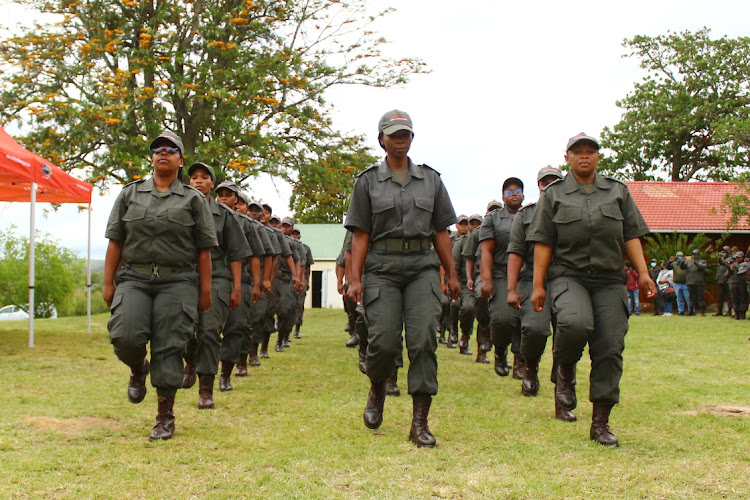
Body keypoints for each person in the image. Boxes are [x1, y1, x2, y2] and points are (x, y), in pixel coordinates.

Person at [528, 132, 656, 446]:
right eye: (578, 152)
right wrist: (537, 286)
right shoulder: (554, 195)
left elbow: (631, 236)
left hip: (610, 278)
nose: (584, 156)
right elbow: (543, 242)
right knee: (574, 323)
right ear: (567, 157)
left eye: (590, 152)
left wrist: (643, 273)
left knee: (610, 345)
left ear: (598, 157)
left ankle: (601, 422)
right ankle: (566, 371)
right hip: (568, 275)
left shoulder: (617, 192)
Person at [345, 109, 460, 448]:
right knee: (383, 342)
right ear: (381, 139)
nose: (400, 140)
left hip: (421, 266)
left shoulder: (431, 180)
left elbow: (441, 231)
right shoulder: (367, 182)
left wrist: (451, 273)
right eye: (393, 134)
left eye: (405, 134)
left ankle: (420, 423)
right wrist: (355, 278)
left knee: (424, 339)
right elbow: (360, 235)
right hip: (381, 267)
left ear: (412, 139)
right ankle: (377, 387)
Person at [103, 131, 217, 441]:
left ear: (180, 161)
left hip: (177, 280)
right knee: (125, 336)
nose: (162, 153)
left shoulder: (193, 200)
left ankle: (164, 416)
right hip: (134, 278)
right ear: (152, 158)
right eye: (157, 150)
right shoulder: (129, 194)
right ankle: (138, 366)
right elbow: (115, 241)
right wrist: (107, 283)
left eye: (170, 150)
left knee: (170, 345)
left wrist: (205, 291)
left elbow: (203, 250)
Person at [181, 167, 252, 409]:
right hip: (185, 277)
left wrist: (236, 288)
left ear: (212, 183)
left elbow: (236, 254)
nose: (198, 182)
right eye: (194, 178)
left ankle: (205, 388)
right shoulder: (179, 208)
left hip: (218, 279)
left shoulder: (224, 215)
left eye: (204, 178)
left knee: (209, 330)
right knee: (183, 328)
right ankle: (190, 359)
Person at [506, 166, 563, 400]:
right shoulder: (526, 214)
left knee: (569, 328)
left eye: (554, 181)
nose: (549, 185)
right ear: (538, 186)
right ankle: (530, 366)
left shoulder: (570, 210)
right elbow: (516, 252)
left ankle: (563, 374)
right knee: (535, 328)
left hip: (564, 277)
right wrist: (511, 289)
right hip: (531, 278)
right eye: (545, 182)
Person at [479, 177, 525, 381]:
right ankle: (499, 350)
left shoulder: (531, 215)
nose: (513, 194)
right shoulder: (492, 219)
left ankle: (520, 362)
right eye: (509, 191)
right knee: (502, 318)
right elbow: (486, 252)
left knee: (526, 322)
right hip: (500, 274)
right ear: (503, 196)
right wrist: (486, 280)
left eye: (517, 190)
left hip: (526, 275)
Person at [292, 228, 314, 339]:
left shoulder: (305, 248)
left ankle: (297, 329)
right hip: (289, 278)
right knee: (289, 305)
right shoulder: (285, 245)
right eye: (293, 234)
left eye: (297, 234)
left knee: (299, 305)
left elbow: (308, 267)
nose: (295, 236)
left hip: (302, 279)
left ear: (300, 236)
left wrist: (307, 281)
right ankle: (286, 330)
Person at [683, 248, 707, 316]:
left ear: (698, 255)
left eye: (695, 254)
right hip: (690, 282)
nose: (694, 255)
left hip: (699, 282)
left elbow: (702, 267)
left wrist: (695, 262)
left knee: (700, 297)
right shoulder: (688, 262)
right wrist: (682, 262)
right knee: (691, 297)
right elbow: (682, 268)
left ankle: (703, 311)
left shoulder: (702, 261)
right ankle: (691, 311)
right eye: (693, 254)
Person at [714, 247, 732, 317]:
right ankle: (719, 311)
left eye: (725, 251)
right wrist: (719, 257)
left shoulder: (730, 259)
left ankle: (729, 311)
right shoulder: (721, 259)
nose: (724, 252)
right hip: (720, 281)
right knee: (720, 297)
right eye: (723, 250)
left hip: (727, 281)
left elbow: (724, 263)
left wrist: (720, 258)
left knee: (729, 297)